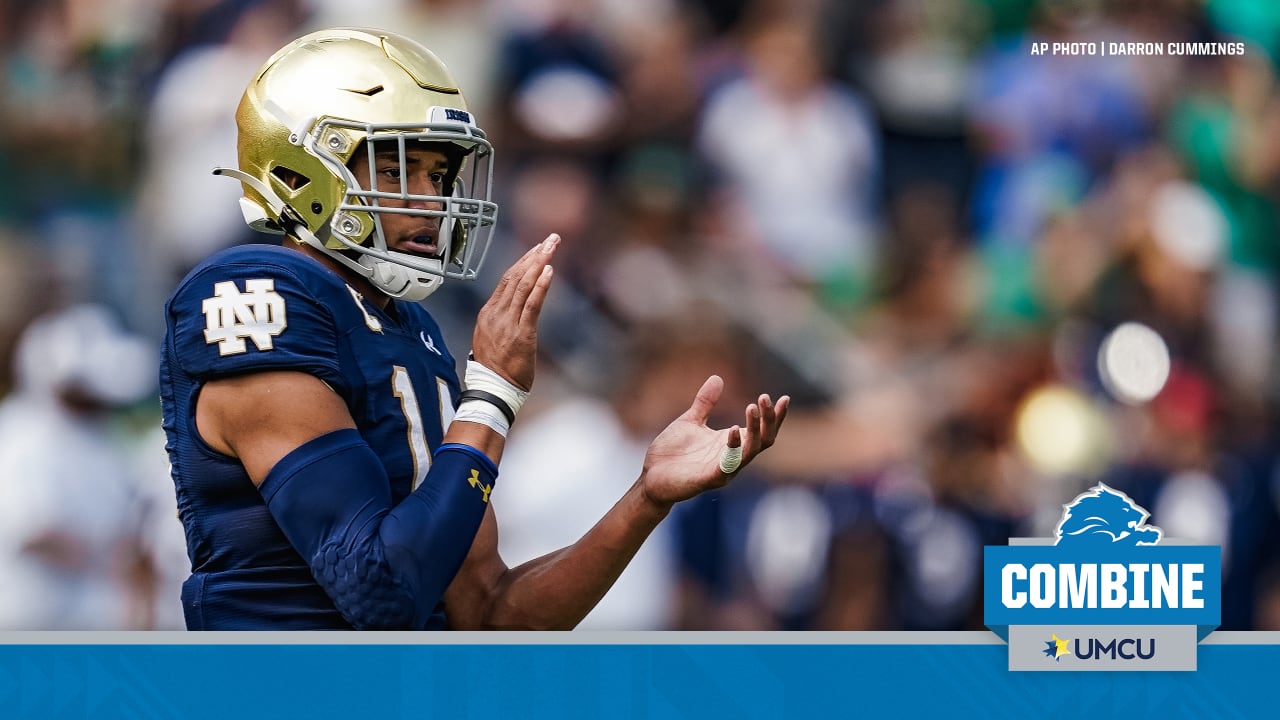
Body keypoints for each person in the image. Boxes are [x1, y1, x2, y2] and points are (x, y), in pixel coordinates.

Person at [158, 27, 789, 630]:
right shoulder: (253, 293)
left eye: (437, 174)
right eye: (396, 169)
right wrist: (491, 394)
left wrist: (647, 497)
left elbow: (489, 614)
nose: (430, 201)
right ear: (300, 174)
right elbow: (377, 592)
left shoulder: (412, 330)